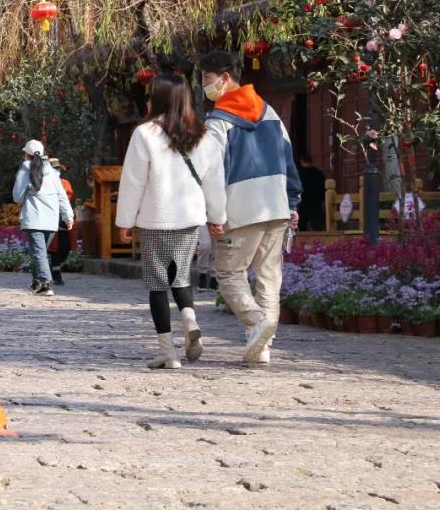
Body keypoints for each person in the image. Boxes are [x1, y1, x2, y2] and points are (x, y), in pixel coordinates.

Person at [116, 74, 227, 369]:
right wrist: (217, 217)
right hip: (189, 219)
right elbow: (214, 181)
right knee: (180, 276)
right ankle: (189, 318)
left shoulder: (145, 133)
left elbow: (134, 181)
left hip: (155, 219)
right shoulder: (203, 134)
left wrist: (125, 220)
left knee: (157, 285)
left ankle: (168, 352)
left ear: (159, 98)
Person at [200, 50, 301, 365]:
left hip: (240, 208)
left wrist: (214, 215)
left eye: (207, 78)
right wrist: (292, 201)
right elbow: (288, 158)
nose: (205, 84)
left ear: (224, 77)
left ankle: (257, 322)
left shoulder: (218, 122)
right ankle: (262, 347)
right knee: (269, 277)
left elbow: (213, 173)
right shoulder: (270, 113)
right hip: (276, 204)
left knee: (229, 272)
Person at [13, 140, 73, 297]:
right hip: (51, 220)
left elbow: (17, 197)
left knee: (38, 252)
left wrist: (28, 196)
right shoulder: (53, 173)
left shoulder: (25, 170)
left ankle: (45, 284)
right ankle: (36, 283)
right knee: (39, 251)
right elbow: (62, 196)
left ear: (27, 154)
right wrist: (68, 216)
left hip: (34, 219)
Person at [47, 158, 75, 286]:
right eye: (55, 168)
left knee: (65, 249)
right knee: (54, 251)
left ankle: (51, 269)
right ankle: (56, 276)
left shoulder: (64, 183)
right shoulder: (44, 183)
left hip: (62, 219)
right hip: (49, 219)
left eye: (58, 168)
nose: (57, 170)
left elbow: (67, 198)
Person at [296, 153, 327, 231]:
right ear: (311, 161)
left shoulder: (299, 174)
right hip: (316, 204)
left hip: (302, 204)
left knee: (302, 228)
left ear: (301, 161)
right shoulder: (319, 173)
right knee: (317, 227)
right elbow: (323, 189)